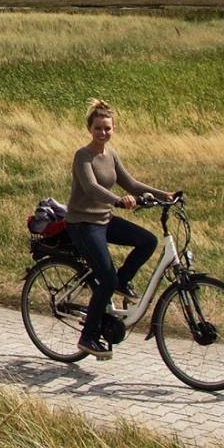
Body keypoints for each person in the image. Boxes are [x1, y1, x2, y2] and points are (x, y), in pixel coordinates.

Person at [66, 98, 167, 359]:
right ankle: (88, 337)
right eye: (98, 128)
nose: (103, 132)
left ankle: (123, 281)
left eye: (107, 128)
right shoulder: (83, 155)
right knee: (106, 278)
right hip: (84, 223)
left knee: (148, 241)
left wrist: (164, 195)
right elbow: (91, 188)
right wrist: (118, 200)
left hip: (105, 220)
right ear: (90, 128)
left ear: (113, 129)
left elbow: (131, 183)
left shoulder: (111, 155)